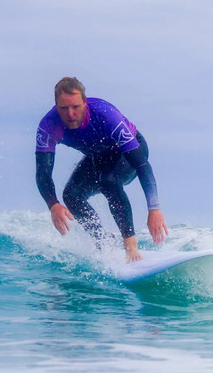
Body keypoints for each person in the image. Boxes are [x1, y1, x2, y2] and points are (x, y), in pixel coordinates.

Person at [35, 77, 168, 262]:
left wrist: (154, 209)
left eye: (75, 106)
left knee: (108, 181)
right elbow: (43, 172)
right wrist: (53, 204)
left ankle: (131, 247)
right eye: (64, 108)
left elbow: (141, 164)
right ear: (56, 106)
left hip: (129, 152)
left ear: (85, 102)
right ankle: (104, 241)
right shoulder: (49, 126)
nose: (70, 113)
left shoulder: (105, 115)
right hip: (97, 156)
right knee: (71, 195)